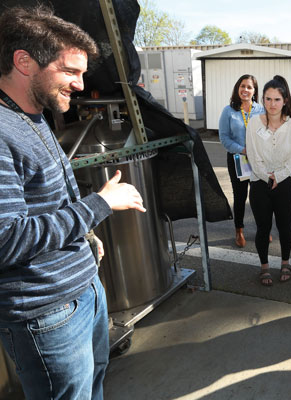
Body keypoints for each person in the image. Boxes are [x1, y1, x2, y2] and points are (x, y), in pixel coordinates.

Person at [0, 7, 146, 400]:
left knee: (91, 389)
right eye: (70, 72)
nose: (81, 85)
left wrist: (84, 235)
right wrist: (98, 205)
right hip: (47, 314)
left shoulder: (33, 116)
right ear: (24, 61)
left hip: (84, 292)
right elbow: (5, 238)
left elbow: (42, 206)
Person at [246, 75, 291, 286]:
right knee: (263, 228)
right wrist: (266, 176)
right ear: (262, 99)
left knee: (285, 226)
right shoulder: (254, 123)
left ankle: (285, 262)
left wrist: (278, 177)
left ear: (285, 100)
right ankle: (264, 267)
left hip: (286, 183)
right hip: (260, 183)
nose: (272, 104)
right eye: (267, 99)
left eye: (277, 99)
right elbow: (252, 154)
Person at [219, 74, 264, 248]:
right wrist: (243, 150)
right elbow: (224, 138)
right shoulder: (228, 111)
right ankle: (239, 230)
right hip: (238, 159)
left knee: (259, 196)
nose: (245, 90)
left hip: (259, 160)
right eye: (242, 86)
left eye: (249, 87)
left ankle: (263, 229)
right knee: (240, 196)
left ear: (254, 91)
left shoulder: (261, 110)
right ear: (238, 88)